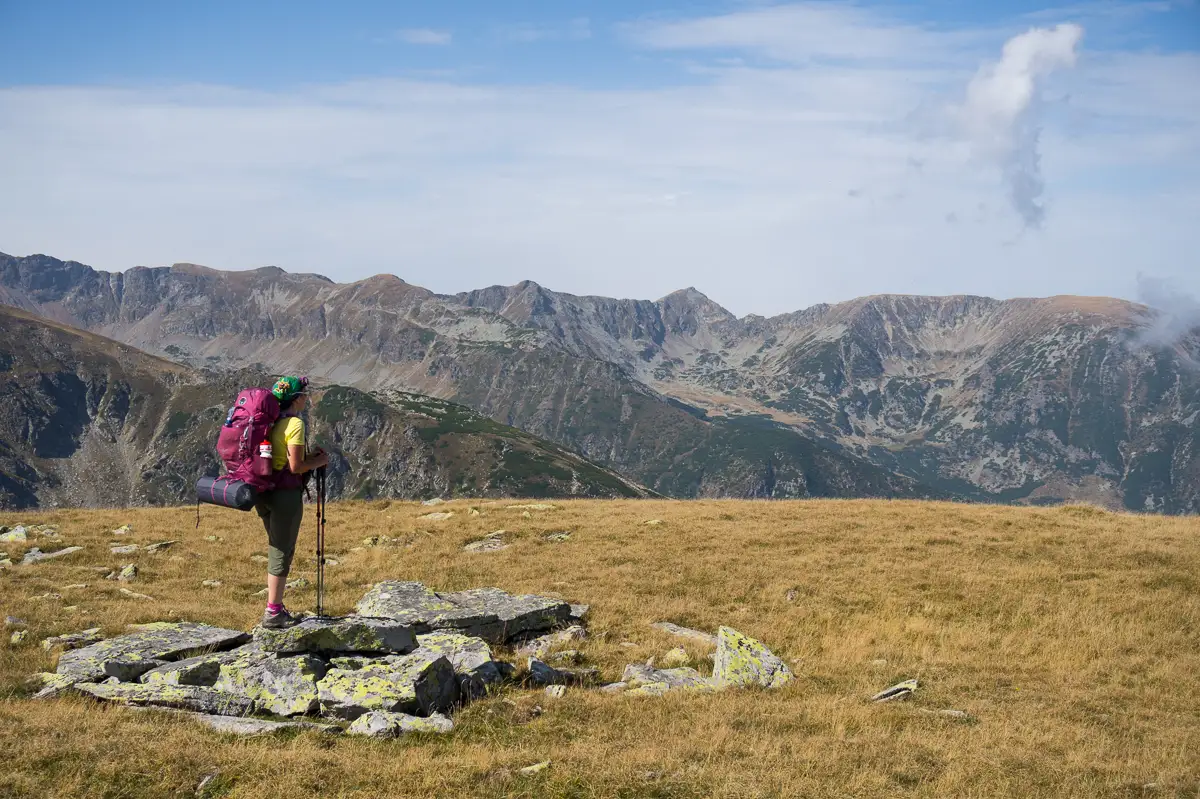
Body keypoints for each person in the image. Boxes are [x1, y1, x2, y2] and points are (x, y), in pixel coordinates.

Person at [257, 375, 328, 628]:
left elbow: (280, 457)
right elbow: (296, 466)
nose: (307, 399)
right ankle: (273, 612)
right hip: (285, 495)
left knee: (277, 544)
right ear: (296, 399)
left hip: (263, 491)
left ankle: (276, 607)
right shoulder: (295, 425)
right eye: (305, 395)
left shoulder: (269, 421)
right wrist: (319, 461)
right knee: (281, 550)